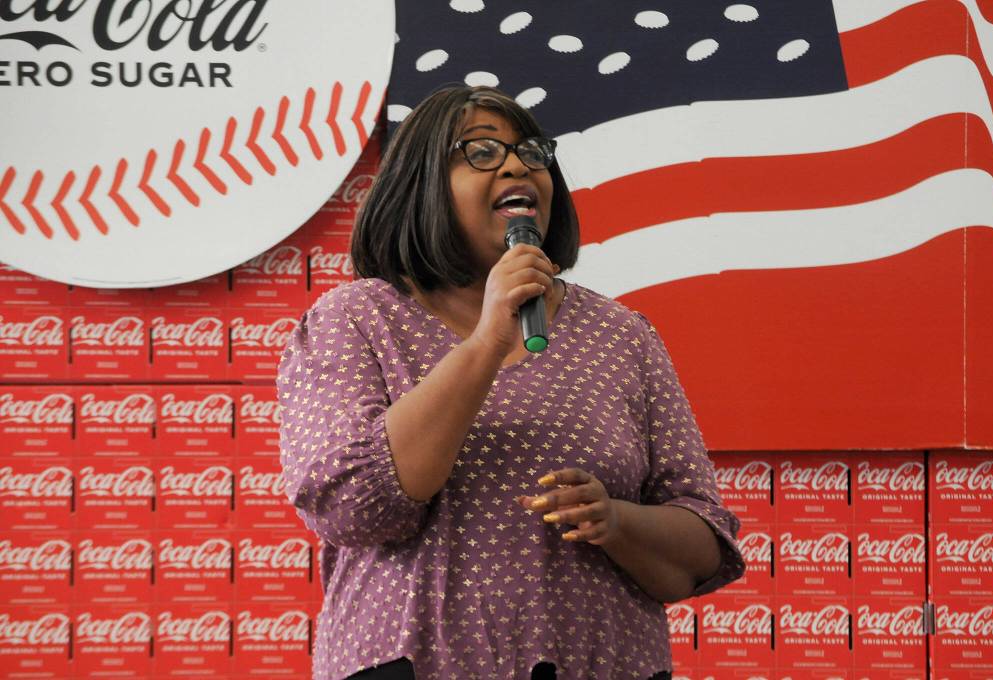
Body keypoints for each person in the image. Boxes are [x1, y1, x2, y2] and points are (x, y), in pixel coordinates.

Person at [277, 85, 745, 680]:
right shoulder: (356, 319)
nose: (520, 165)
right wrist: (488, 339)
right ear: (420, 184)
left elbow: (701, 552)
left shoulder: (624, 335)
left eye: (531, 152)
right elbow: (351, 508)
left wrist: (619, 521)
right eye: (480, 153)